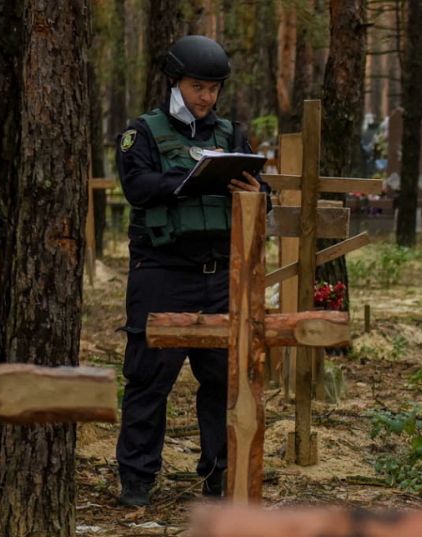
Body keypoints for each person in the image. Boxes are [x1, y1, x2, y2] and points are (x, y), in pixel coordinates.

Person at [115, 35, 267, 507]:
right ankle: (137, 480)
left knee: (224, 380)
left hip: (220, 275)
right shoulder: (141, 133)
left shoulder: (231, 136)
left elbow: (262, 195)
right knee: (148, 378)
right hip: (161, 271)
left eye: (214, 88)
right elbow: (137, 186)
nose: (207, 97)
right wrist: (191, 181)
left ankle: (219, 476)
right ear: (175, 82)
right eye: (199, 86)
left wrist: (251, 189)